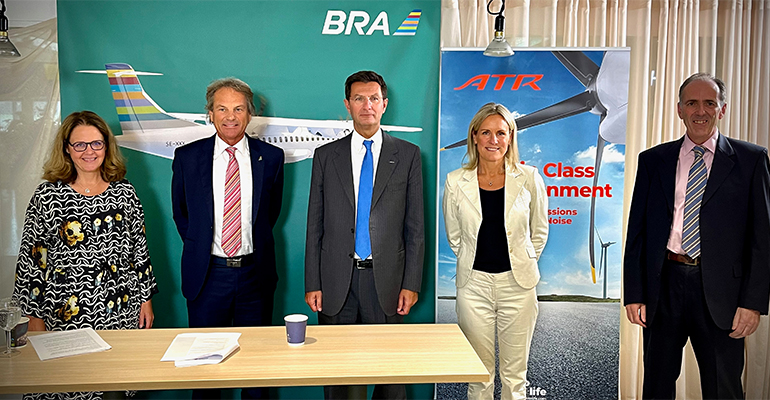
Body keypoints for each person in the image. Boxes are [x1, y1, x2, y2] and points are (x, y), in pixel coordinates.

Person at [624, 73, 770, 399]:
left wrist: (752, 303)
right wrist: (634, 293)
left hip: (723, 294)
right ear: (680, 109)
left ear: (722, 109)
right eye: (692, 103)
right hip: (664, 287)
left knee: (723, 390)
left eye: (709, 103)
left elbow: (763, 240)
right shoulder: (653, 161)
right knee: (657, 387)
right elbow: (638, 233)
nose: (700, 111)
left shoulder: (751, 160)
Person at [13, 110, 158, 400]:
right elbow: (31, 262)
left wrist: (146, 299)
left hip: (119, 308)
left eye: (96, 143)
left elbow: (139, 249)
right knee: (68, 386)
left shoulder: (125, 193)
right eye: (80, 144)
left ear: (107, 146)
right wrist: (33, 316)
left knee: (114, 388)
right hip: (63, 311)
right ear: (67, 148)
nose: (89, 151)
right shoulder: (47, 196)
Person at [305, 70, 424, 400]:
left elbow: (415, 228)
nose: (367, 105)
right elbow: (314, 224)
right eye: (359, 98)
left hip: (386, 282)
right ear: (347, 104)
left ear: (384, 104)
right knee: (338, 378)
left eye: (373, 98)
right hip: (335, 282)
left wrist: (411, 284)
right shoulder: (326, 156)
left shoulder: (408, 155)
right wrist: (313, 282)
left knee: (390, 379)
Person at [171, 78, 284, 399]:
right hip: (207, 276)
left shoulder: (271, 157)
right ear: (210, 113)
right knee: (205, 374)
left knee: (256, 372)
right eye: (222, 109)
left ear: (250, 114)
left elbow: (269, 214)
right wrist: (203, 249)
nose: (230, 116)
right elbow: (182, 214)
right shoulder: (188, 157)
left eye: (238, 109)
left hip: (254, 275)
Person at [442, 103, 548, 400]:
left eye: (501, 133)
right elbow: (455, 236)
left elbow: (539, 232)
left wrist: (522, 262)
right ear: (474, 136)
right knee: (479, 374)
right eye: (486, 132)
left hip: (518, 286)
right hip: (473, 287)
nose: (494, 140)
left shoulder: (529, 177)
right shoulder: (455, 181)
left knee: (515, 377)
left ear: (510, 137)